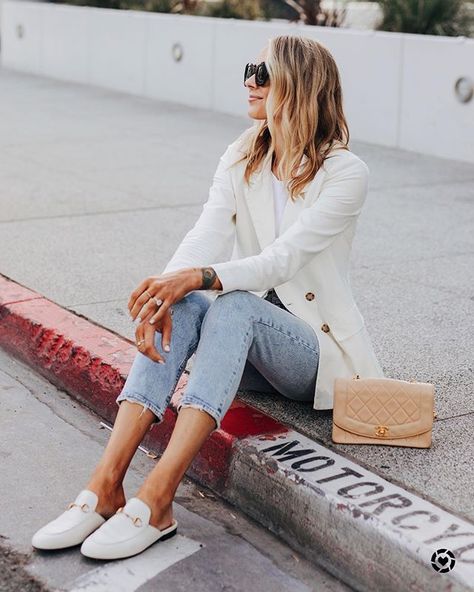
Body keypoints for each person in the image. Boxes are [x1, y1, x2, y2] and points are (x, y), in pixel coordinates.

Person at [32, 34, 384, 560]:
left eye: (261, 74)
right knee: (190, 301)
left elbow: (281, 260)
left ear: (298, 85)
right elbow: (206, 232)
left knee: (231, 300)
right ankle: (105, 487)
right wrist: (163, 296)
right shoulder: (245, 152)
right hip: (241, 346)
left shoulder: (345, 173)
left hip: (314, 353)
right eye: (249, 69)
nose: (249, 81)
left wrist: (196, 277)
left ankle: (158, 498)